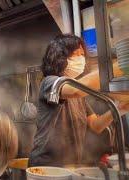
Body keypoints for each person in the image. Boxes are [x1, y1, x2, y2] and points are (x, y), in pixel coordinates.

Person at [29, 34, 129, 167]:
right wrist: (119, 66)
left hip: (72, 163)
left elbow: (96, 125)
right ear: (60, 58)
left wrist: (121, 108)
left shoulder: (79, 98)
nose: (81, 59)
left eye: (83, 55)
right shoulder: (49, 82)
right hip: (46, 165)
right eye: (76, 54)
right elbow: (75, 90)